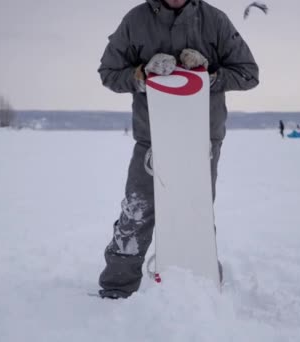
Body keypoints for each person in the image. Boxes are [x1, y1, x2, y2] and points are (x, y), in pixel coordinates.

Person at [97, 0, 260, 299]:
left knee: (193, 212)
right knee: (137, 211)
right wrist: (140, 75)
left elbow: (249, 73)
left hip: (201, 138)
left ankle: (202, 288)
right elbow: (108, 72)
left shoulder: (215, 21)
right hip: (153, 138)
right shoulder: (136, 21)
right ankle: (117, 290)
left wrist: (207, 77)